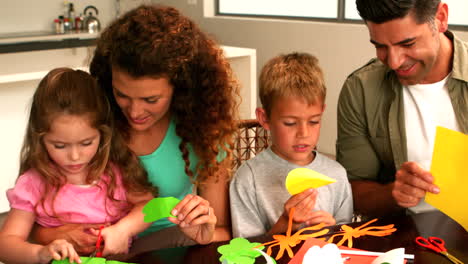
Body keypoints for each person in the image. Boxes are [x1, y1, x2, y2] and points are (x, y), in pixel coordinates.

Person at [34, 4, 239, 253]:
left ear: (181, 88)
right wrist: (56, 234)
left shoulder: (203, 131)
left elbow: (225, 230)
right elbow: (32, 223)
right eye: (122, 95)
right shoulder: (91, 120)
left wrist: (203, 232)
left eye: (151, 100)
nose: (134, 112)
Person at [0, 68, 155, 263]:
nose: (74, 156)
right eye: (59, 145)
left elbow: (149, 205)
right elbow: (5, 244)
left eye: (86, 143)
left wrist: (123, 229)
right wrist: (40, 254)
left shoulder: (115, 171)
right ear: (39, 138)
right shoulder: (34, 183)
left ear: (103, 134)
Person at [336, 0, 468, 218]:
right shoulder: (361, 89)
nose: (395, 62)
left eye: (408, 44)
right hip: (400, 239)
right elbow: (351, 192)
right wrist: (393, 194)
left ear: (441, 18)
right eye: (380, 46)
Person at [230, 52, 353, 238]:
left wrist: (333, 232)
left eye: (313, 121)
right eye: (290, 123)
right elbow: (247, 253)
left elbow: (347, 242)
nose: (303, 133)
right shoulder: (248, 179)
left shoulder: (337, 175)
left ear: (322, 112)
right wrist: (286, 224)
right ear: (264, 118)